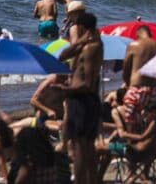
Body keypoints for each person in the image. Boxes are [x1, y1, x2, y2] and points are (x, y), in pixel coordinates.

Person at [58, 11, 103, 184]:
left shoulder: (92, 48)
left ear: (82, 27)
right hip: (79, 99)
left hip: (82, 100)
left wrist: (66, 89)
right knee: (85, 148)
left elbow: (89, 83)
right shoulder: (86, 45)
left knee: (80, 149)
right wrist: (81, 41)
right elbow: (62, 56)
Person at [122, 25, 156, 132]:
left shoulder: (134, 45)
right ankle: (149, 144)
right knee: (152, 121)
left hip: (137, 87)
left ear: (138, 35)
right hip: (155, 89)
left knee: (129, 119)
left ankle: (132, 143)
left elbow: (126, 69)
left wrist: (127, 85)